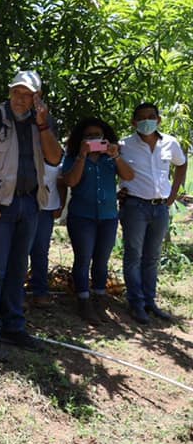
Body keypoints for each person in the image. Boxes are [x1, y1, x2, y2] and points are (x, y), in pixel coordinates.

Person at [0, 70, 63, 361]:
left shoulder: (42, 121)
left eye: (28, 94)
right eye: (17, 92)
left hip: (29, 204)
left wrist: (43, 125)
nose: (21, 99)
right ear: (10, 93)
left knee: (19, 269)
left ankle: (14, 326)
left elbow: (55, 158)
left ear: (37, 97)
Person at [117, 102, 187, 324]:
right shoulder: (124, 145)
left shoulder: (170, 143)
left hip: (160, 207)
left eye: (151, 116)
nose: (147, 120)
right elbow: (112, 168)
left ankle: (149, 301)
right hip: (135, 206)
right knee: (133, 255)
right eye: (142, 117)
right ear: (134, 122)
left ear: (158, 119)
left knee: (152, 257)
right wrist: (118, 191)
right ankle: (136, 303)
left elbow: (182, 164)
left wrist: (173, 193)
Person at [60, 117, 134, 323]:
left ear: (105, 137)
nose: (94, 139)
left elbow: (129, 176)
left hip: (108, 217)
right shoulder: (73, 156)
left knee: (102, 261)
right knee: (83, 260)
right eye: (89, 136)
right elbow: (70, 181)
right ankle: (83, 301)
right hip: (82, 217)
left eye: (98, 136)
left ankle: (100, 299)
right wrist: (82, 156)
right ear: (81, 139)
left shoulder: (110, 158)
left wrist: (116, 156)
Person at [26, 161, 66, 307]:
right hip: (24, 203)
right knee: (21, 251)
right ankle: (16, 293)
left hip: (47, 207)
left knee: (41, 252)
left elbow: (61, 182)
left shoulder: (55, 152)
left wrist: (60, 203)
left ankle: (40, 292)